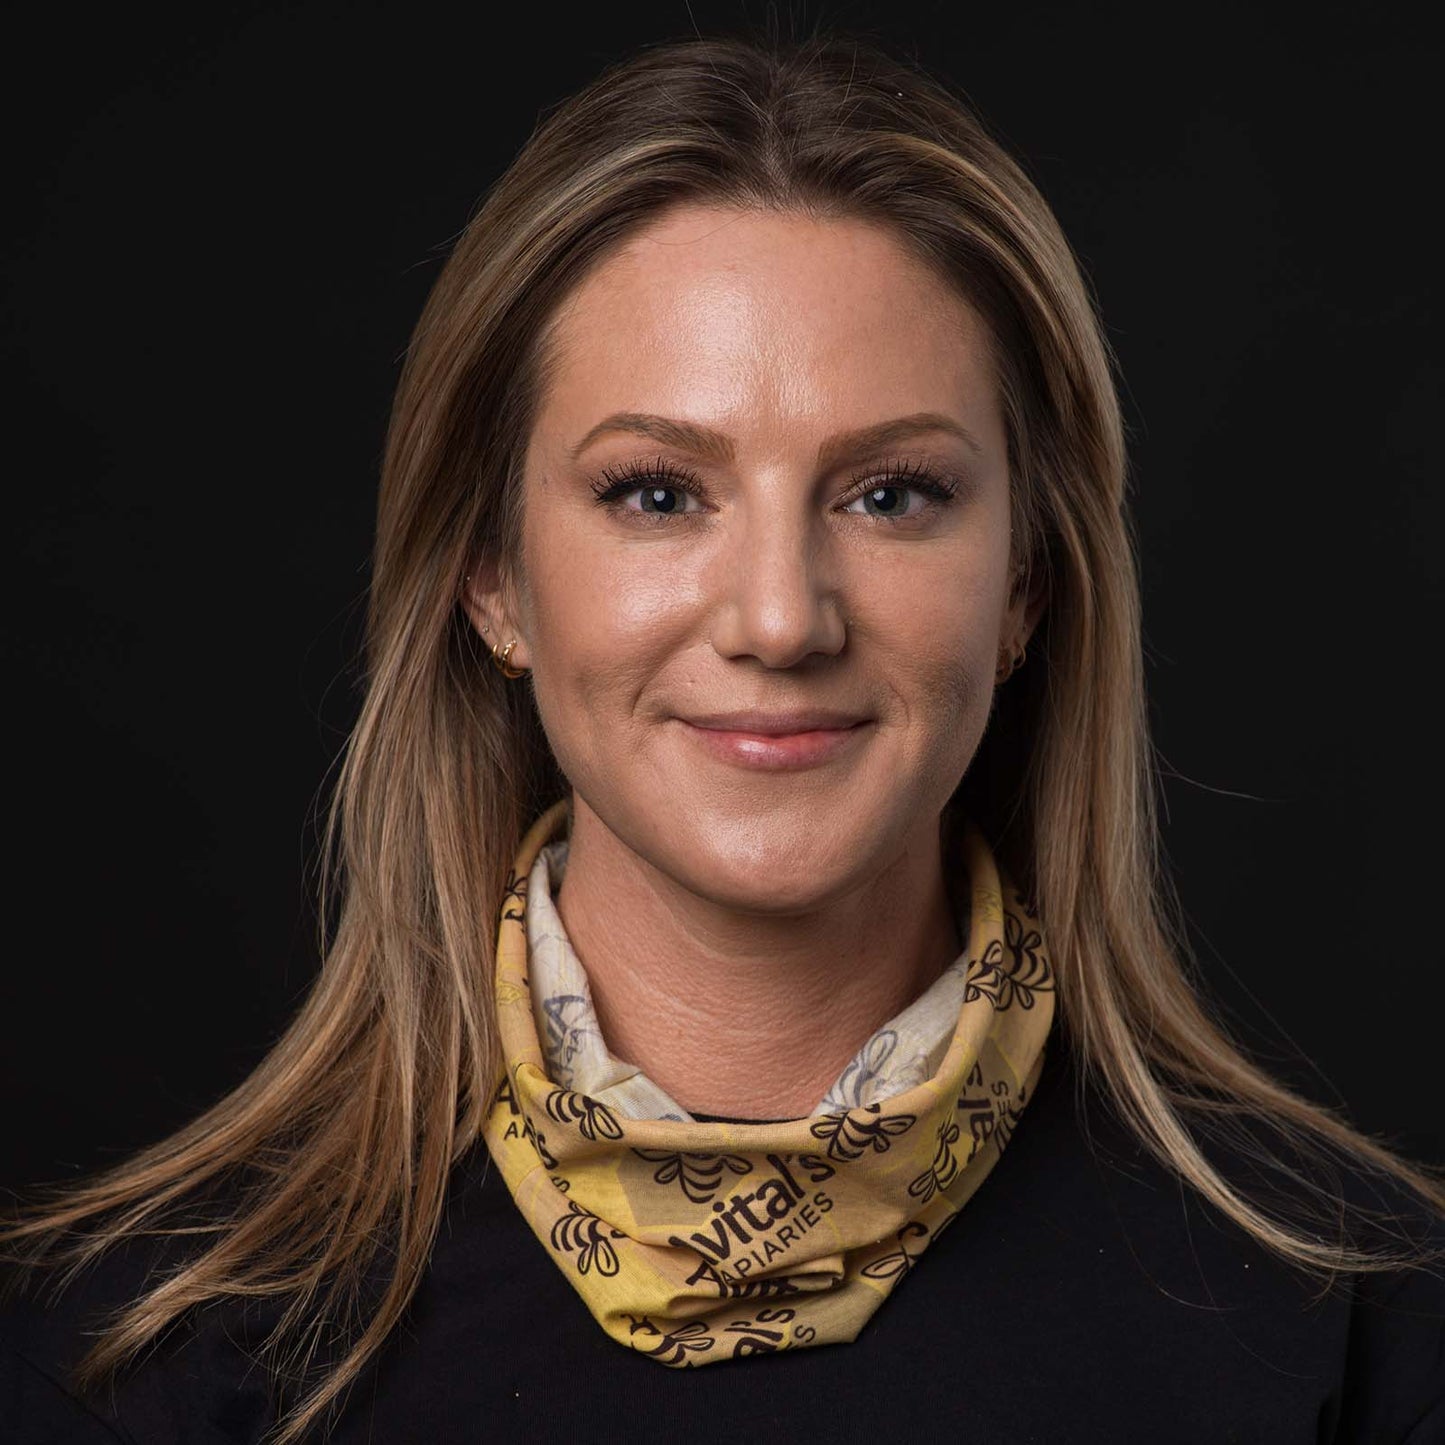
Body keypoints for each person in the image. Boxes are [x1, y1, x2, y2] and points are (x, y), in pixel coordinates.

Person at [3, 27, 1442, 1445]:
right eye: (652, 491)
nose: (776, 618)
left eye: (888, 494)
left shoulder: (1359, 1327)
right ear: (490, 578)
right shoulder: (148, 1352)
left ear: (1024, 586)